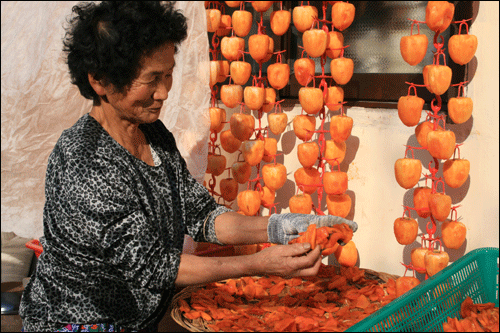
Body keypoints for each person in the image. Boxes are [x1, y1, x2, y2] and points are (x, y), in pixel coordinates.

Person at [19, 2, 358, 332]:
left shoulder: (152, 134)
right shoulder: (84, 160)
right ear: (100, 81)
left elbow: (201, 216)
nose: (164, 92)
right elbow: (153, 266)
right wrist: (257, 264)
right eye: (152, 79)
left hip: (139, 320)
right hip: (78, 322)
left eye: (167, 76)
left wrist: (277, 228)